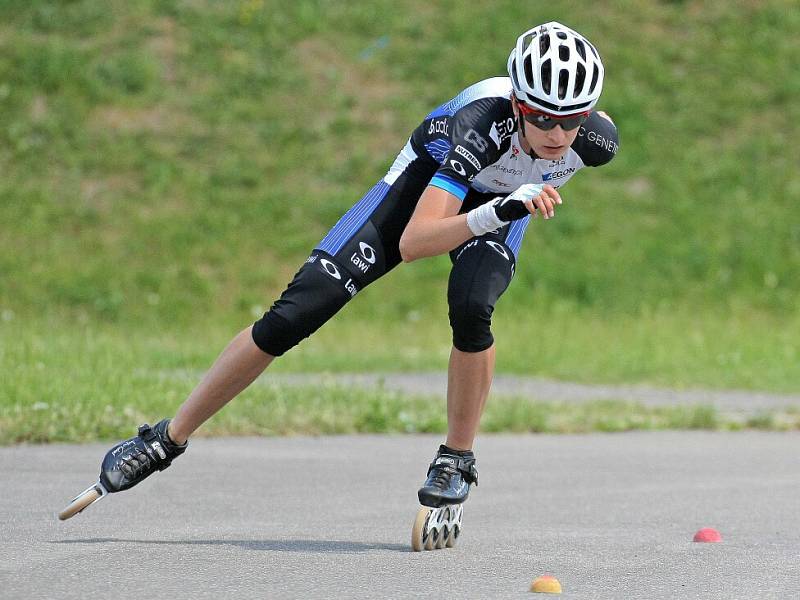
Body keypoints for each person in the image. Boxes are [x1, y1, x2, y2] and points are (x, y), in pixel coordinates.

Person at [96, 21, 618, 511]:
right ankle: (166, 438)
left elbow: (536, 173)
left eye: (570, 120)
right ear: (515, 102)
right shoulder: (478, 124)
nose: (556, 133)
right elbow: (415, 241)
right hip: (427, 184)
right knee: (296, 313)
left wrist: (504, 209)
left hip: (508, 202)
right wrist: (498, 209)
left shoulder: (596, 142)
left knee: (473, 305)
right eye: (542, 117)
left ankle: (456, 457)